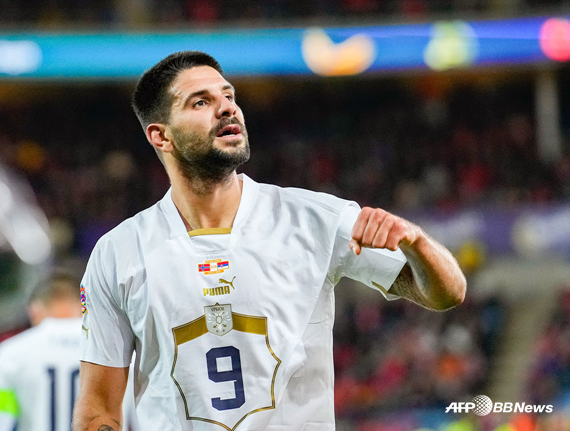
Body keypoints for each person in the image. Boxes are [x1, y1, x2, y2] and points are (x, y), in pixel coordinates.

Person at [72, 51, 466, 431]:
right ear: (161, 136)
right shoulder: (118, 253)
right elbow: (99, 411)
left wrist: (417, 243)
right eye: (201, 102)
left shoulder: (315, 219)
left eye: (229, 96)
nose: (227, 108)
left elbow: (446, 293)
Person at [0, 270, 138, 431]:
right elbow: (145, 421)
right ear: (84, 306)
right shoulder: (123, 351)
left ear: (34, 310)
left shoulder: (11, 353)